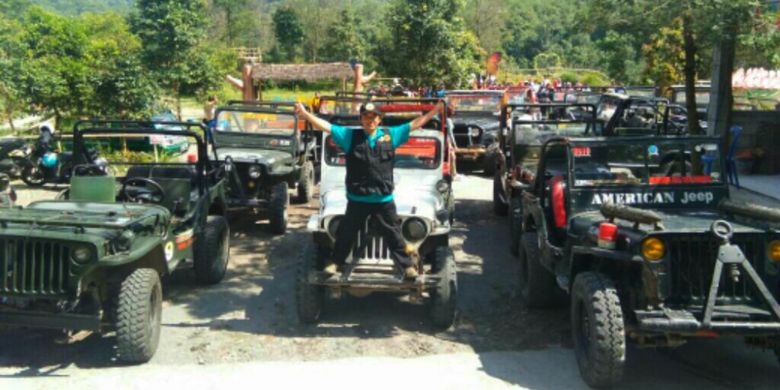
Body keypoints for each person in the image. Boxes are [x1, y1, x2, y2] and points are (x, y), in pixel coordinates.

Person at [294, 100, 444, 279]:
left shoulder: (391, 136)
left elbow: (414, 124)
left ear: (379, 119)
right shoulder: (350, 136)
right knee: (345, 233)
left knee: (395, 235)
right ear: (361, 119)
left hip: (383, 200)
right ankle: (336, 262)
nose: (370, 120)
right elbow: (327, 126)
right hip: (358, 199)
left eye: (373, 117)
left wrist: (435, 110)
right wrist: (305, 114)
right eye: (366, 117)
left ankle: (406, 267)